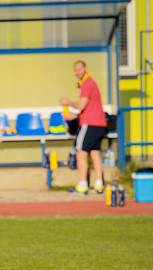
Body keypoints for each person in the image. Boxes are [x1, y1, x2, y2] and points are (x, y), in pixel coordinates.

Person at [60, 60, 106, 195]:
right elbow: (87, 108)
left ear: (85, 68)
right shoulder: (91, 83)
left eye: (79, 69)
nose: (77, 72)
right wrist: (74, 115)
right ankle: (99, 184)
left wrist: (68, 102)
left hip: (90, 124)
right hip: (99, 124)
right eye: (75, 70)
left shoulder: (87, 83)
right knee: (95, 152)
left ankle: (82, 184)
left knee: (80, 152)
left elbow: (81, 105)